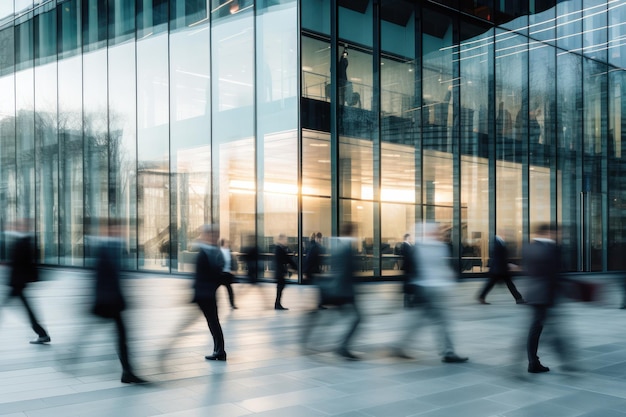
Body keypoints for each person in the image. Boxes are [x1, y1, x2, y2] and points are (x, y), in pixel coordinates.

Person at [392, 222, 468, 364]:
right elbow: (409, 270)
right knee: (432, 321)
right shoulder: (419, 248)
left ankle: (400, 346)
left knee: (425, 321)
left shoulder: (440, 247)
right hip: (425, 290)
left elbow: (441, 268)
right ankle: (447, 352)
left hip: (436, 290)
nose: (438, 234)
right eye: (435, 232)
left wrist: (449, 276)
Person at [92, 219, 146, 384]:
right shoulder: (104, 249)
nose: (121, 232)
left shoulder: (117, 248)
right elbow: (99, 277)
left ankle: (127, 371)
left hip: (114, 300)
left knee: (120, 334)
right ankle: (127, 371)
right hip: (108, 300)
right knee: (117, 334)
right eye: (117, 229)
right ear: (109, 231)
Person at [302, 222, 362, 360]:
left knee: (331, 318)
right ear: (352, 233)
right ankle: (342, 346)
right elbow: (349, 272)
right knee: (356, 318)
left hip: (335, 289)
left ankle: (315, 339)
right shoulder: (347, 249)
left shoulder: (337, 247)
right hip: (343, 291)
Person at [523, 223, 568, 373]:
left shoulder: (528, 247)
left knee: (537, 328)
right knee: (542, 329)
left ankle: (533, 361)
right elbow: (555, 273)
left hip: (533, 293)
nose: (557, 236)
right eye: (555, 233)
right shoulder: (550, 249)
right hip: (545, 295)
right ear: (548, 233)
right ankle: (534, 362)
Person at [2, 219, 50, 345]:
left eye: (20, 225)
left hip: (18, 283)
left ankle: (42, 333)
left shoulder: (25, 242)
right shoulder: (22, 241)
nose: (17, 227)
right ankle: (42, 334)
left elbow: (26, 264)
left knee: (21, 308)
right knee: (27, 309)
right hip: (18, 282)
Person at [194, 225, 227, 361]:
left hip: (205, 294)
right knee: (213, 322)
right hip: (204, 294)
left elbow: (217, 274)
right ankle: (219, 351)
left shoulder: (214, 252)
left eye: (206, 234)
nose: (203, 236)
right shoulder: (210, 251)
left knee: (213, 322)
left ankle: (220, 351)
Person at [477, 231, 525, 305]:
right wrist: (508, 264)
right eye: (503, 234)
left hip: (500, 269)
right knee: (504, 284)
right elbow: (500, 257)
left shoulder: (499, 242)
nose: (505, 236)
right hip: (499, 269)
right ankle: (519, 298)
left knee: (496, 284)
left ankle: (519, 298)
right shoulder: (497, 243)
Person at [273, 234, 297, 310]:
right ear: (281, 240)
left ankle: (277, 304)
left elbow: (287, 259)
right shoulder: (279, 249)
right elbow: (287, 259)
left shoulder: (279, 248)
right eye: (285, 239)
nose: (286, 241)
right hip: (280, 272)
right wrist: (295, 267)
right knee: (280, 288)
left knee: (280, 288)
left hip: (279, 272)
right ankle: (277, 304)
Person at [219, 238, 237, 309]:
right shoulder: (219, 251)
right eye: (226, 242)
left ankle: (232, 305)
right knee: (213, 289)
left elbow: (233, 261)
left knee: (230, 290)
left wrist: (233, 270)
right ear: (223, 244)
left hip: (227, 273)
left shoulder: (229, 251)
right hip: (220, 273)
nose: (227, 244)